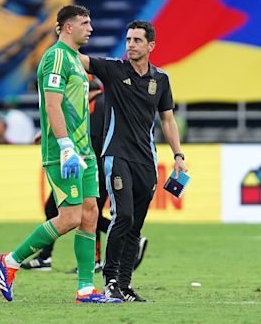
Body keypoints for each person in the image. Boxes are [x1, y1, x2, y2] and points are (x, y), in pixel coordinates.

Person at [0, 5, 121, 304]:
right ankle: (10, 261)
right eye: (85, 23)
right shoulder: (55, 57)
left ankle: (85, 289)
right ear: (67, 27)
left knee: (90, 213)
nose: (90, 28)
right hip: (64, 151)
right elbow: (52, 104)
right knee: (69, 217)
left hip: (85, 151)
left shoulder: (76, 61)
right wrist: (65, 147)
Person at [76, 20, 188, 302]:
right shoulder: (113, 69)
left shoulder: (160, 80)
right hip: (116, 155)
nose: (131, 45)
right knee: (122, 216)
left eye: (137, 40)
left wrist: (178, 155)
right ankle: (110, 280)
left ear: (150, 45)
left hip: (146, 161)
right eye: (128, 40)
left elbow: (167, 119)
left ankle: (124, 285)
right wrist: (63, 35)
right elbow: (76, 57)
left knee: (135, 225)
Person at [21, 75, 148, 273]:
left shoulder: (96, 106)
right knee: (77, 211)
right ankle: (47, 257)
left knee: (84, 212)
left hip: (92, 168)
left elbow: (92, 141)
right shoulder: (98, 104)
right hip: (99, 167)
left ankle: (112, 249)